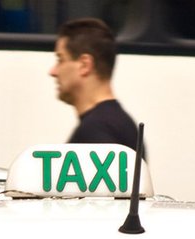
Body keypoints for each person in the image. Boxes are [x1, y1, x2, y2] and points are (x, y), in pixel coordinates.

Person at [50, 17, 143, 154]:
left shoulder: (95, 130)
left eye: (60, 59)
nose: (53, 72)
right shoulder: (122, 124)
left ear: (84, 65)